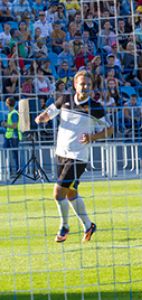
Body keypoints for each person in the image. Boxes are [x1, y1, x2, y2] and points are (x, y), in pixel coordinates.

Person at [35, 70, 114, 243]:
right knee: (71, 193)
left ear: (91, 87)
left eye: (88, 84)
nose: (84, 87)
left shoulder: (96, 107)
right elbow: (49, 112)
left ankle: (64, 226)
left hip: (78, 156)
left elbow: (110, 129)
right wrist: (42, 118)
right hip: (61, 153)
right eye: (81, 84)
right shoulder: (65, 99)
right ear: (75, 85)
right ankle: (88, 225)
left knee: (57, 193)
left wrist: (92, 137)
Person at [2, 97, 22, 175]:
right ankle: (9, 170)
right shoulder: (11, 113)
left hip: (14, 136)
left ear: (7, 104)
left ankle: (17, 171)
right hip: (9, 136)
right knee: (7, 152)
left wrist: (5, 124)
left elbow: (14, 126)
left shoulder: (14, 113)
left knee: (14, 154)